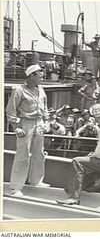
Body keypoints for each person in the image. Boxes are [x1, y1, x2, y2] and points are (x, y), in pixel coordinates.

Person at [6, 64, 50, 197]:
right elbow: (11, 110)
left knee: (39, 154)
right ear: (31, 76)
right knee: (22, 156)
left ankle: (36, 181)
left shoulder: (41, 89)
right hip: (26, 124)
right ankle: (15, 188)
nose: (42, 78)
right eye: (40, 76)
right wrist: (16, 127)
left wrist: (46, 122)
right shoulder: (19, 91)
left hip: (39, 124)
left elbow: (45, 107)